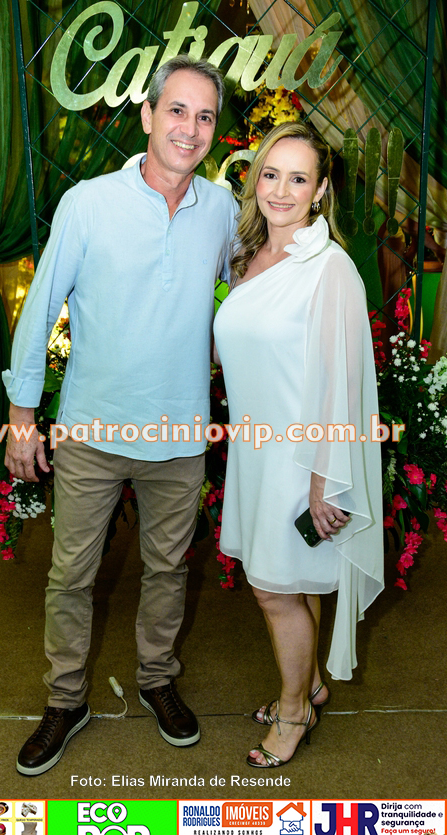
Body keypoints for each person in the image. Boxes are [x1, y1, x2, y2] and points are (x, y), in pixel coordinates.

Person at [3, 55, 237, 775]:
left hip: (179, 434)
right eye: (176, 110)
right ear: (147, 115)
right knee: (71, 576)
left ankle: (157, 679)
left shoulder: (223, 210)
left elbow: (248, 296)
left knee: (167, 569)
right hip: (92, 431)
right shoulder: (89, 203)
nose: (189, 128)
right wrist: (21, 414)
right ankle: (65, 698)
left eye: (204, 116)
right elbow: (40, 307)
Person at [213, 121, 383, 768]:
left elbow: (340, 382)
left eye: (298, 178)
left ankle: (293, 712)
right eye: (270, 174)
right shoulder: (249, 254)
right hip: (255, 451)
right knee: (295, 581)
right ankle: (308, 684)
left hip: (299, 457)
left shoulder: (328, 267)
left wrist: (323, 479)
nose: (280, 190)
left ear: (320, 191)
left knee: (273, 590)